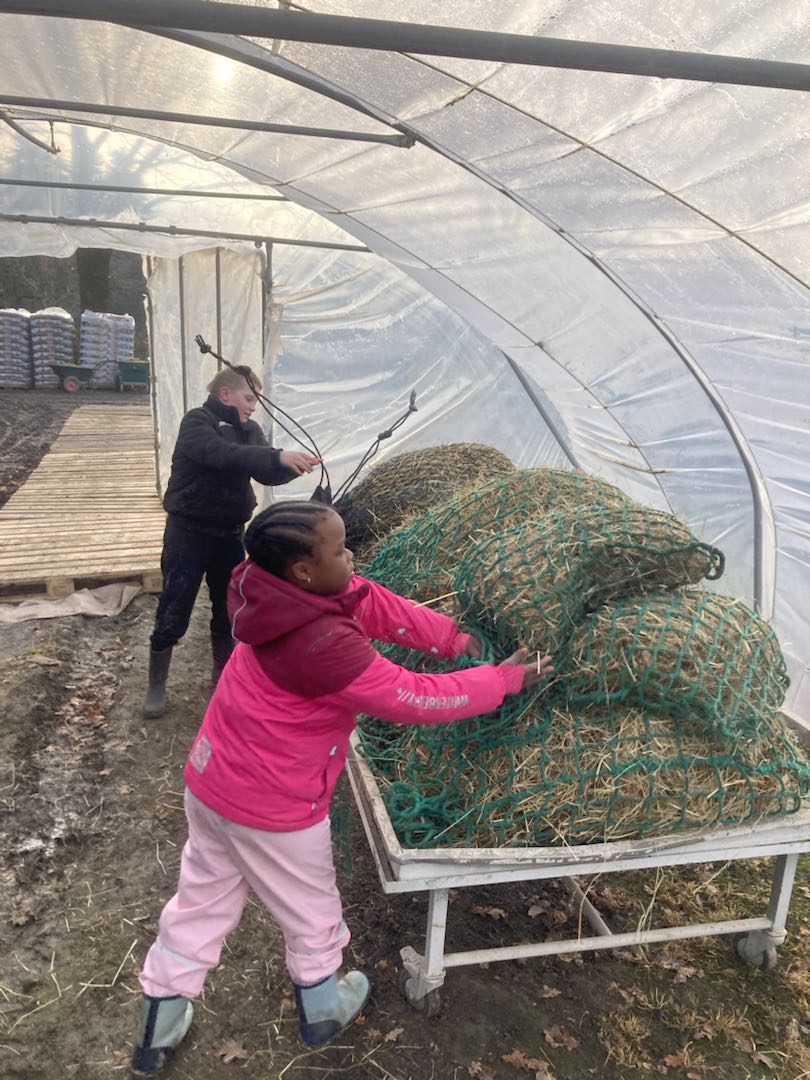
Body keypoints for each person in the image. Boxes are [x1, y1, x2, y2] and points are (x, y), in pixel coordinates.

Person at [131, 500, 554, 1075]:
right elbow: (413, 697)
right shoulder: (321, 645)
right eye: (339, 549)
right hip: (272, 806)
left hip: (213, 781)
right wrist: (499, 680)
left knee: (202, 898)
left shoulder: (266, 588)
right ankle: (323, 1008)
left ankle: (158, 1023)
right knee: (311, 909)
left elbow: (371, 601)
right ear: (304, 571)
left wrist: (457, 641)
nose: (351, 556)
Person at [143, 366, 321, 719]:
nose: (254, 406)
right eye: (249, 398)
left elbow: (264, 470)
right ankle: (156, 683)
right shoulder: (198, 422)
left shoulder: (250, 430)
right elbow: (221, 454)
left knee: (228, 609)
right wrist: (276, 455)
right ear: (225, 394)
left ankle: (222, 675)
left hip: (229, 534)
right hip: (188, 533)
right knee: (175, 605)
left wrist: (292, 466)